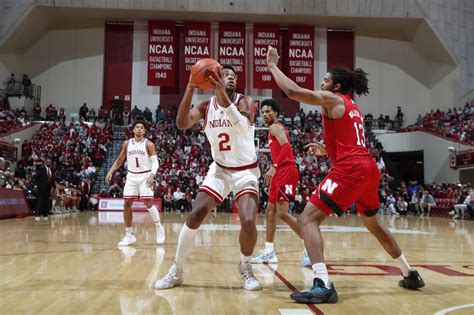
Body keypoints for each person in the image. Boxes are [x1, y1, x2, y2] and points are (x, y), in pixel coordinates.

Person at [266, 46, 425, 304]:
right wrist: (327, 150)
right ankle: (410, 273)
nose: (322, 83)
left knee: (307, 219)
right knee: (373, 224)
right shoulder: (353, 107)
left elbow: (293, 92)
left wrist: (272, 66)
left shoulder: (332, 99)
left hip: (350, 168)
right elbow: (350, 142)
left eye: (326, 80)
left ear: (337, 86)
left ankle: (322, 283)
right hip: (367, 167)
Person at [155, 65, 262, 291]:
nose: (231, 78)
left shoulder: (246, 102)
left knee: (249, 220)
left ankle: (245, 266)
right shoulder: (206, 106)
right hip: (221, 169)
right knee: (196, 214)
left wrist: (221, 90)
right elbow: (181, 123)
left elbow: (242, 127)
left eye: (233, 76)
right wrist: (191, 86)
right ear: (215, 79)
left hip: (245, 170)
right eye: (226, 75)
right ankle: (177, 269)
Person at [250, 99, 310, 266]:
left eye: (269, 111)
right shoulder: (272, 129)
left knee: (283, 213)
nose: (265, 114)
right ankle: (269, 252)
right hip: (279, 171)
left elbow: (286, 146)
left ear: (275, 113)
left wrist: (274, 166)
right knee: (270, 211)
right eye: (263, 112)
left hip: (286, 171)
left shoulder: (276, 127)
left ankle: (310, 248)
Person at [106, 120, 165, 246]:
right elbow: (120, 160)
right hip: (131, 176)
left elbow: (155, 162)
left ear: (144, 131)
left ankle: (159, 227)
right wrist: (111, 170)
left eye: (141, 128)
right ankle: (129, 235)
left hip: (145, 176)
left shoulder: (149, 144)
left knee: (148, 203)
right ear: (133, 130)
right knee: (127, 204)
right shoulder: (127, 143)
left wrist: (152, 175)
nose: (139, 129)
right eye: (137, 127)